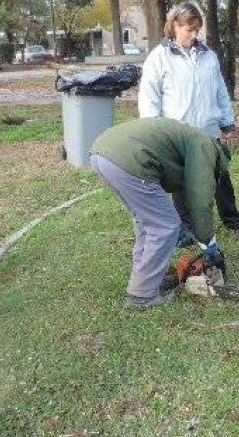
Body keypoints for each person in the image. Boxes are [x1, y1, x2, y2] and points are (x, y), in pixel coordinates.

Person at [138, 1, 239, 240]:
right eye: (188, 30)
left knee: (221, 178)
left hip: (208, 132)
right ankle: (186, 228)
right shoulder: (158, 58)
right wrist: (154, 132)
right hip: (177, 135)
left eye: (196, 30)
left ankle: (233, 218)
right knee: (182, 184)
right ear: (174, 26)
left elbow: (220, 92)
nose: (193, 36)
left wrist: (227, 122)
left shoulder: (209, 56)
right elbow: (149, 98)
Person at [90, 117, 229, 308]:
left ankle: (148, 280)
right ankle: (142, 297)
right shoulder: (206, 147)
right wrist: (208, 246)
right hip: (128, 158)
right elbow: (200, 200)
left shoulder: (191, 140)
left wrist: (189, 229)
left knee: (146, 224)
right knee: (164, 226)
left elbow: (184, 194)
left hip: (103, 153)